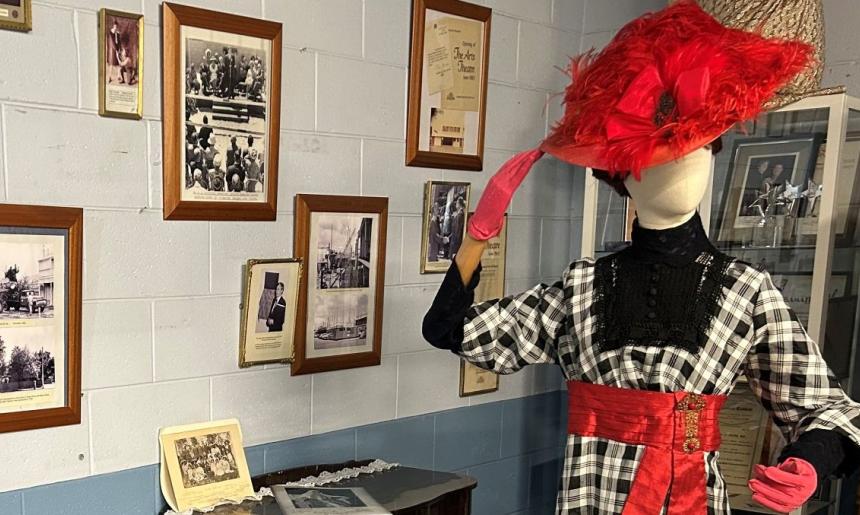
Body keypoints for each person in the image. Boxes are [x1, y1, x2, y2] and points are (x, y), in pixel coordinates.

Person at [422, 3, 860, 514]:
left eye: (692, 146)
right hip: (590, 501)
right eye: (656, 155)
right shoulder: (580, 288)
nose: (677, 161)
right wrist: (479, 234)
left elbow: (829, 409)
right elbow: (447, 328)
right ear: (621, 174)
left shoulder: (748, 292)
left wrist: (808, 462)